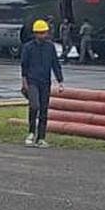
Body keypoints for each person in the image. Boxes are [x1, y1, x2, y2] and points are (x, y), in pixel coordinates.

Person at [20, 19, 64, 147]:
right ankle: (31, 132)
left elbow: (55, 64)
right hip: (32, 81)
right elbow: (24, 66)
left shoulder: (50, 47)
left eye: (44, 32)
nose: (42, 35)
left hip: (45, 82)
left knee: (44, 110)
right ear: (35, 34)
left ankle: (41, 138)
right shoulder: (28, 48)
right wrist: (24, 83)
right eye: (40, 33)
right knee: (34, 106)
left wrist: (60, 81)